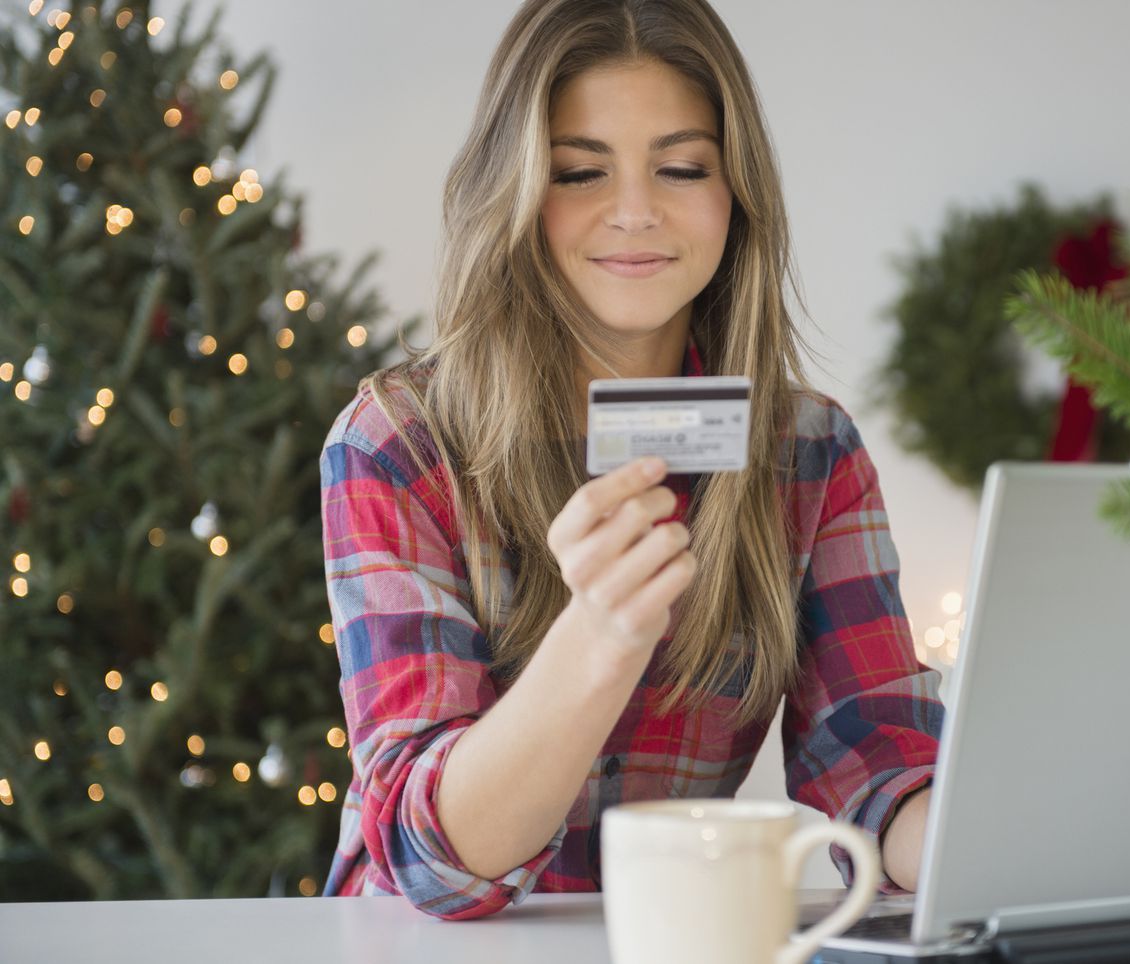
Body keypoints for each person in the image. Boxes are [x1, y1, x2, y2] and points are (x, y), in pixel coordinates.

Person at [318, 0, 943, 920]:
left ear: (738, 193)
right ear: (518, 193)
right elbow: (431, 864)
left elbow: (878, 769)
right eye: (579, 172)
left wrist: (997, 832)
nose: (637, 212)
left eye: (682, 167)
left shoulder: (810, 454)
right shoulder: (400, 445)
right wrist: (600, 636)